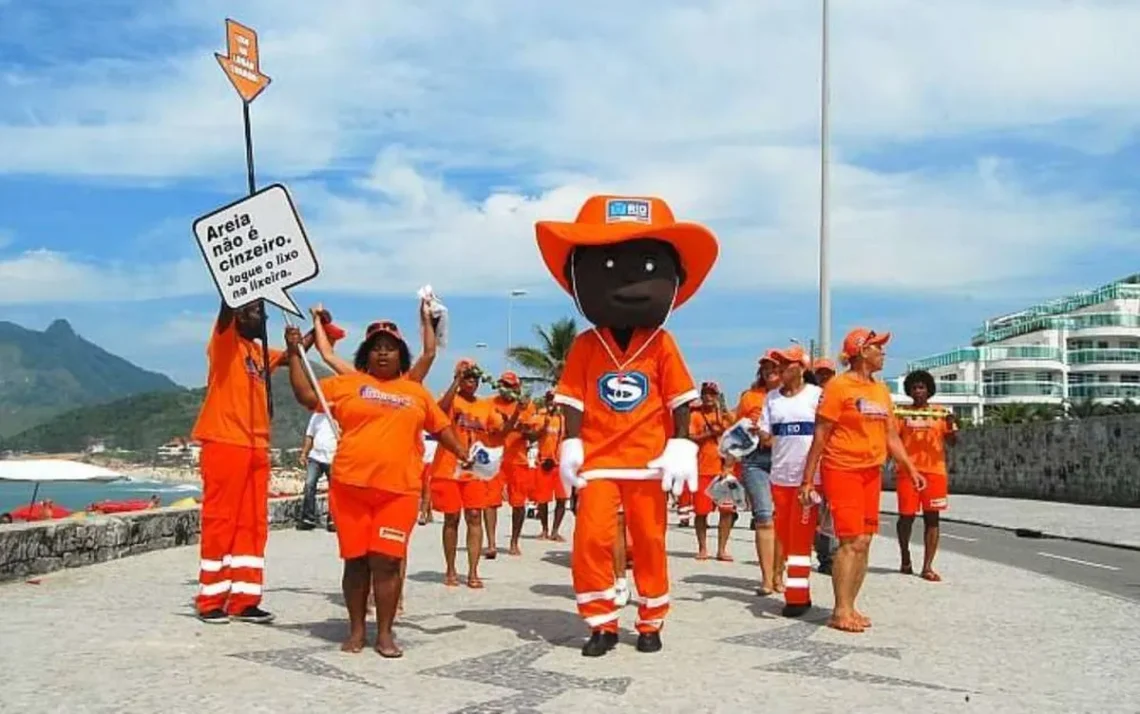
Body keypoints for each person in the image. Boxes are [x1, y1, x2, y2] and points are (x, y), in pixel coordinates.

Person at [537, 194, 717, 656]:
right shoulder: (585, 344)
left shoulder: (661, 343)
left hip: (648, 462)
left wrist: (681, 444)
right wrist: (572, 443)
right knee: (591, 540)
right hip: (598, 460)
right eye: (610, 263)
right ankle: (601, 622)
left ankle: (651, 619)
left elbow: (679, 397)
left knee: (650, 541)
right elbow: (571, 398)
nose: (628, 278)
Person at [285, 321, 470, 658]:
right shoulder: (347, 384)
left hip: (399, 492)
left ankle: (385, 633)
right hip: (350, 488)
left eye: (390, 346)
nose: (383, 351)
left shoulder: (416, 392)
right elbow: (305, 394)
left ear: (401, 355)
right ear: (365, 354)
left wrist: (462, 451)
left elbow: (440, 427)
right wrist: (296, 353)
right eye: (376, 346)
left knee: (387, 560)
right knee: (356, 562)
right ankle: (356, 630)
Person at [190, 299, 316, 625]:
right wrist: (233, 289)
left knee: (253, 524)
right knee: (221, 520)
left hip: (257, 446)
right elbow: (225, 313)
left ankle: (245, 599)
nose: (259, 316)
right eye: (252, 311)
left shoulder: (259, 353)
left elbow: (293, 355)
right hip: (225, 441)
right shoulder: (225, 343)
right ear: (239, 315)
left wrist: (318, 330)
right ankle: (211, 599)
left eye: (261, 312)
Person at [800, 328, 923, 633]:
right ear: (861, 351)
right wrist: (807, 481)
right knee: (850, 541)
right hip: (842, 469)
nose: (883, 352)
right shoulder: (839, 387)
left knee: (865, 541)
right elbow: (821, 435)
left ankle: (851, 606)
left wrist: (910, 468)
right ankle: (839, 610)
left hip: (872, 471)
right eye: (878, 347)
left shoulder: (880, 390)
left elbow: (890, 434)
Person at [429, 359, 517, 588]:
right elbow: (438, 413)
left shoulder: (485, 406)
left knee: (475, 516)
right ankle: (450, 569)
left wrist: (517, 414)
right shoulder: (450, 398)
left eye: (474, 378)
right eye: (467, 377)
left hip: (474, 471)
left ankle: (473, 571)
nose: (472, 382)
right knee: (452, 518)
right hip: (448, 468)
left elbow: (499, 433)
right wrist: (455, 382)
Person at [759, 345, 822, 617]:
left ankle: (797, 597)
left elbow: (826, 433)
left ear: (802, 368)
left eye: (787, 363)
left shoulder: (817, 396)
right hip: (780, 477)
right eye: (779, 364)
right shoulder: (772, 399)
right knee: (785, 536)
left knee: (800, 539)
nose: (781, 368)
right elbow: (766, 435)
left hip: (807, 480)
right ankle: (796, 591)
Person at [895, 369, 957, 582]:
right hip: (908, 473)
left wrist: (953, 425)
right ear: (909, 391)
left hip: (935, 472)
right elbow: (892, 440)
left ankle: (927, 566)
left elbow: (952, 441)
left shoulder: (940, 413)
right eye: (914, 387)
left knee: (933, 518)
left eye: (922, 387)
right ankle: (905, 558)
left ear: (929, 390)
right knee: (906, 517)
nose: (918, 391)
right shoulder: (901, 414)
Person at [733, 352, 781, 595]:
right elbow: (735, 431)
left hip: (784, 458)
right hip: (754, 459)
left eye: (774, 367)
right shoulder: (750, 397)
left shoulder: (791, 397)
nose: (769, 371)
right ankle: (766, 579)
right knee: (763, 516)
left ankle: (778, 574)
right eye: (765, 367)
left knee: (783, 520)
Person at [488, 372, 540, 557]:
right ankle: (491, 543)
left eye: (509, 386)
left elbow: (533, 435)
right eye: (503, 384)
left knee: (518, 504)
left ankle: (514, 541)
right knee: (490, 501)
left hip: (518, 459)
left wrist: (523, 428)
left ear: (516, 388)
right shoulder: (490, 403)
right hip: (496, 458)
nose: (506, 389)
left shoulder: (527, 406)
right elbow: (490, 430)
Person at [688, 382, 736, 561]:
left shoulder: (724, 414)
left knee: (726, 511)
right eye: (706, 393)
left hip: (724, 470)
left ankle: (722, 549)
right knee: (701, 512)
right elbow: (690, 437)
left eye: (712, 394)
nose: (709, 397)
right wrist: (710, 434)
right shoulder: (695, 415)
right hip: (702, 470)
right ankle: (702, 548)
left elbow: (737, 431)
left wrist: (725, 412)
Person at [532, 392, 569, 542]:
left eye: (555, 401)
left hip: (560, 464)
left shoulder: (563, 420)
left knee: (561, 499)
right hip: (543, 463)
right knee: (542, 500)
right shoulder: (539, 417)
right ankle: (544, 529)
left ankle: (555, 530)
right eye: (550, 400)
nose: (552, 403)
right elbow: (532, 436)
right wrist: (545, 424)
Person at [298, 410, 337, 531]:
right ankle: (308, 518)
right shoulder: (316, 415)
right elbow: (310, 435)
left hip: (334, 457)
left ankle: (333, 520)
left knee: (335, 489)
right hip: (316, 457)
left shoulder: (340, 416)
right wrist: (304, 453)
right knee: (309, 483)